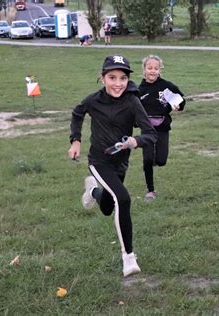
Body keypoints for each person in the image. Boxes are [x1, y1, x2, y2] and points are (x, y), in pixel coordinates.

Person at [68, 55, 157, 277]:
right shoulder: (93, 100)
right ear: (102, 78)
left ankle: (92, 190)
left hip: (120, 162)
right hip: (99, 161)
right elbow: (77, 113)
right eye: (112, 77)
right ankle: (128, 258)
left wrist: (136, 141)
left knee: (108, 207)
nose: (118, 83)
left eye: (123, 78)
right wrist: (76, 141)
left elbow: (151, 134)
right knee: (123, 199)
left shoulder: (132, 101)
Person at [138, 55, 186, 202]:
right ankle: (150, 190)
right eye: (150, 68)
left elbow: (181, 99)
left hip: (163, 127)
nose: (153, 71)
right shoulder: (139, 90)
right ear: (144, 69)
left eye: (156, 68)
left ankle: (154, 160)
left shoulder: (166, 86)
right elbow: (132, 108)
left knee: (161, 160)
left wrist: (179, 106)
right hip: (147, 129)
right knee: (147, 159)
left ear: (160, 70)